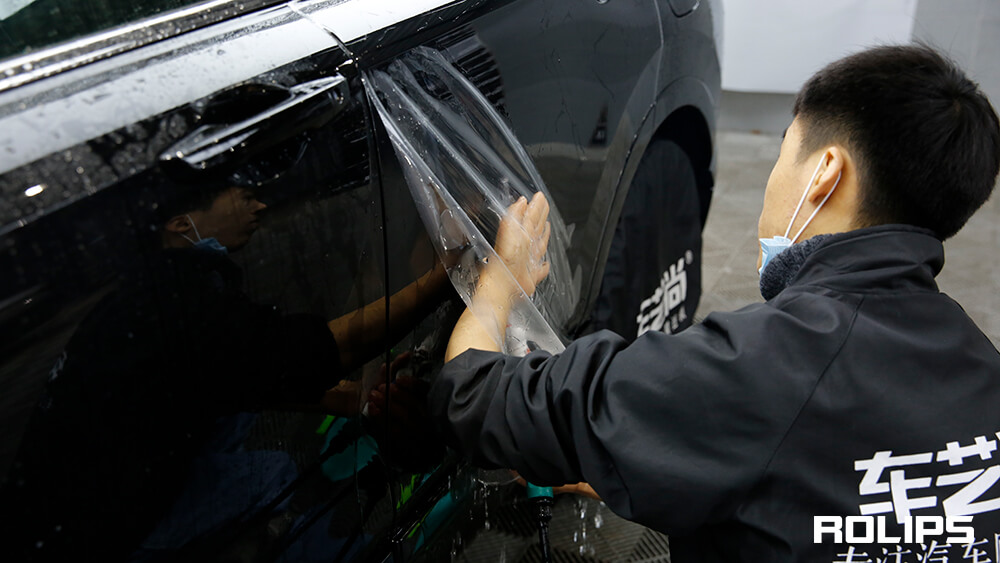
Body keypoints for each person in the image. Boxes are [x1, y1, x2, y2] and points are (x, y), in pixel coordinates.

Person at [421, 44, 1000, 561]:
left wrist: (499, 283)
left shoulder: (758, 364)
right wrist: (648, 455)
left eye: (784, 158)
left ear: (823, 172)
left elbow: (473, 396)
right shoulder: (981, 368)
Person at [1, 177, 453, 561]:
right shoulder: (176, 305)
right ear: (183, 224)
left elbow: (240, 375)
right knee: (271, 474)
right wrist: (445, 277)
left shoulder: (154, 290)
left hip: (68, 505)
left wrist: (351, 397)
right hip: (94, 529)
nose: (259, 205)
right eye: (242, 197)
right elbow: (312, 351)